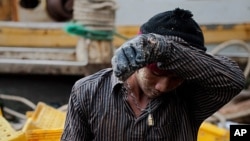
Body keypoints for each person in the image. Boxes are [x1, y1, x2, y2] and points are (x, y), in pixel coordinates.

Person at [61, 8, 245, 141]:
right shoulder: (88, 91)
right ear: (138, 60)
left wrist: (163, 50)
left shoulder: (191, 97)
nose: (163, 86)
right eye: (156, 73)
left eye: (176, 77)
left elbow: (234, 80)